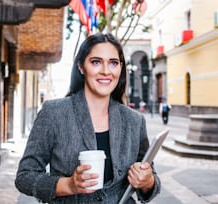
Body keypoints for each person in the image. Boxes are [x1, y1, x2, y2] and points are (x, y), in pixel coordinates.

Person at [15, 33, 161, 204]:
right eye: (96, 62)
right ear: (81, 67)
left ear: (121, 68)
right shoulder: (54, 112)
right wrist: (68, 185)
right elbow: (24, 177)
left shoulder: (134, 121)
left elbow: (152, 181)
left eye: (113, 63)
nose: (106, 71)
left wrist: (147, 181)